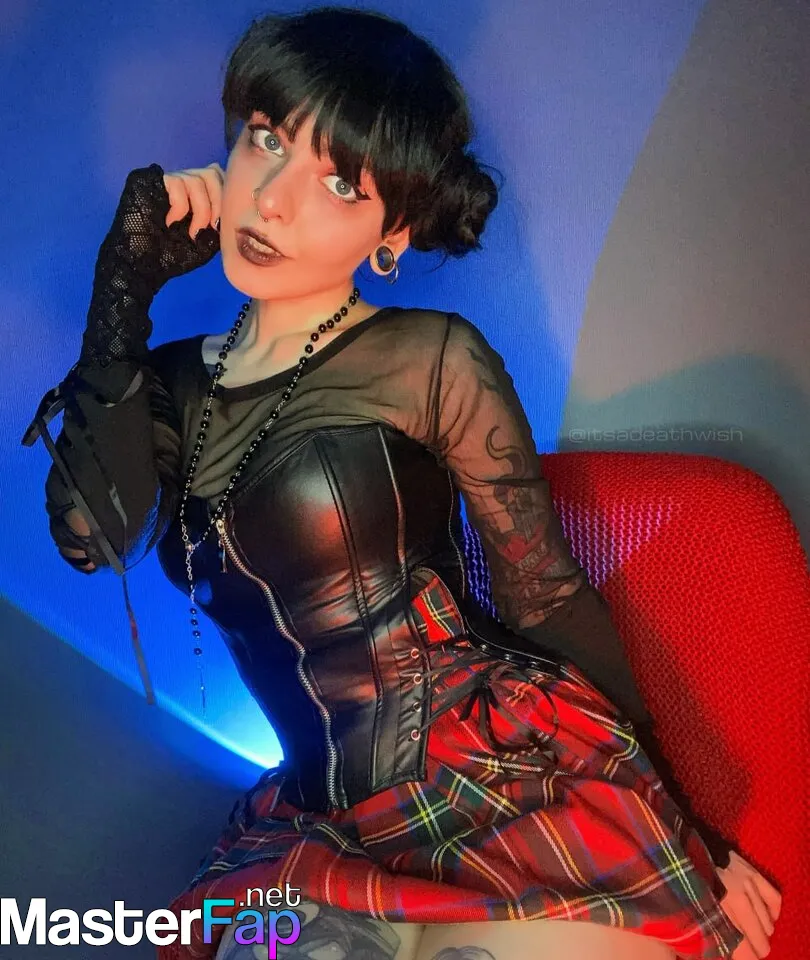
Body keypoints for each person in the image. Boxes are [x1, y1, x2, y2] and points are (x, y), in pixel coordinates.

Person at [22, 7, 781, 960]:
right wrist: (122, 291)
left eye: (340, 182)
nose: (274, 200)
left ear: (393, 233)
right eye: (266, 140)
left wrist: (684, 826)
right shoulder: (165, 384)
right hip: (312, 825)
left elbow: (544, 594)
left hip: (498, 772)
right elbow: (95, 536)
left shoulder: (430, 358)